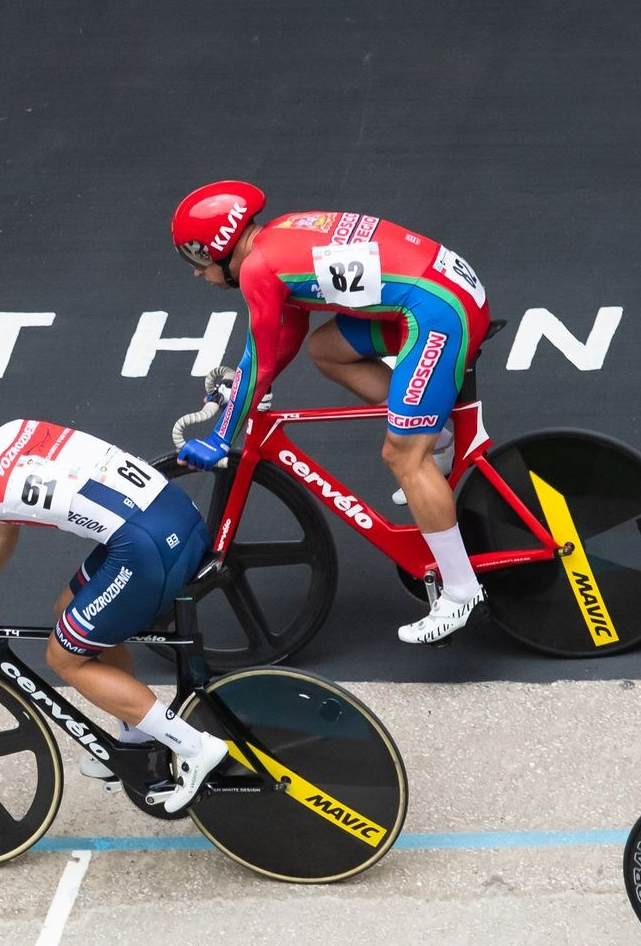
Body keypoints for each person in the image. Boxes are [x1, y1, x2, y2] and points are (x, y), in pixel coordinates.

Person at [170, 180, 493, 645]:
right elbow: (284, 340)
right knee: (328, 349)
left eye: (197, 259)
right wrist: (241, 393)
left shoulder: (259, 269)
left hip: (439, 311)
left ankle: (462, 592)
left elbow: (259, 362)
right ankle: (438, 438)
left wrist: (222, 436)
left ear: (220, 245)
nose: (198, 273)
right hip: (440, 291)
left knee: (403, 456)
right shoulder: (275, 238)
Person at [0, 401, 226, 813]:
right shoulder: (11, 430)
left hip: (145, 550)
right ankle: (136, 741)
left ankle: (194, 746)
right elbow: (2, 538)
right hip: (173, 516)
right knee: (70, 609)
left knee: (66, 657)